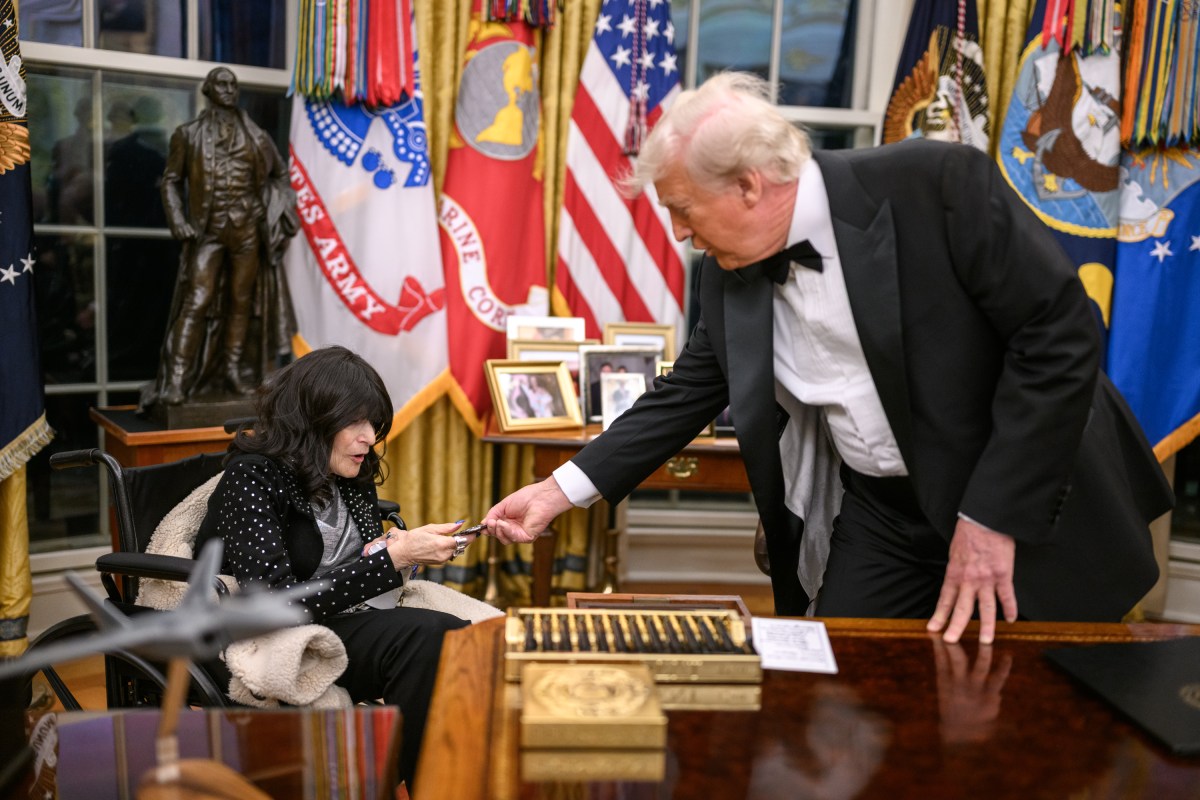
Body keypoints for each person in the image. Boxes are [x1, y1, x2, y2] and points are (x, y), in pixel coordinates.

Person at [483, 72, 1172, 644]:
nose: (681, 233)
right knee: (837, 681)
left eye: (684, 209)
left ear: (750, 186)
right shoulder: (727, 271)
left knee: (1033, 702)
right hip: (884, 513)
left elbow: (1060, 336)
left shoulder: (937, 185)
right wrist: (555, 492)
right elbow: (686, 391)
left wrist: (992, 518)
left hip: (1016, 496)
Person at [194, 346, 476, 792]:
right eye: (355, 423)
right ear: (312, 419)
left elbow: (361, 563)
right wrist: (394, 559)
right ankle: (407, 784)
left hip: (339, 617)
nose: (369, 437)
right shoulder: (251, 478)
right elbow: (272, 603)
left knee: (466, 637)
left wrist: (394, 549)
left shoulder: (353, 472)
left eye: (375, 424)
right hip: (266, 633)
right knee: (430, 637)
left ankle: (437, 778)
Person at [141, 66, 298, 409]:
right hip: (207, 232)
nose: (229, 89)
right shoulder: (188, 134)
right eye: (221, 84)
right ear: (208, 90)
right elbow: (170, 180)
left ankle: (233, 371)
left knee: (241, 303)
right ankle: (177, 380)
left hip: (247, 231)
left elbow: (281, 175)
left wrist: (272, 208)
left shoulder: (257, 136)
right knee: (197, 300)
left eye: (233, 84)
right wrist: (179, 220)